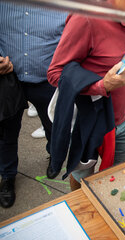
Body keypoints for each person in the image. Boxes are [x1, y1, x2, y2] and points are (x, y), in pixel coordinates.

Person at [47, 14, 125, 190]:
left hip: (121, 120)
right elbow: (55, 73)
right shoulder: (86, 18)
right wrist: (101, 85)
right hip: (87, 123)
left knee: (118, 176)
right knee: (82, 178)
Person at [0, 2, 67, 208]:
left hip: (47, 82)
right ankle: (8, 176)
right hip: (8, 81)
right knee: (6, 135)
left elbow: (73, 41)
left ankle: (54, 158)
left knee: (53, 127)